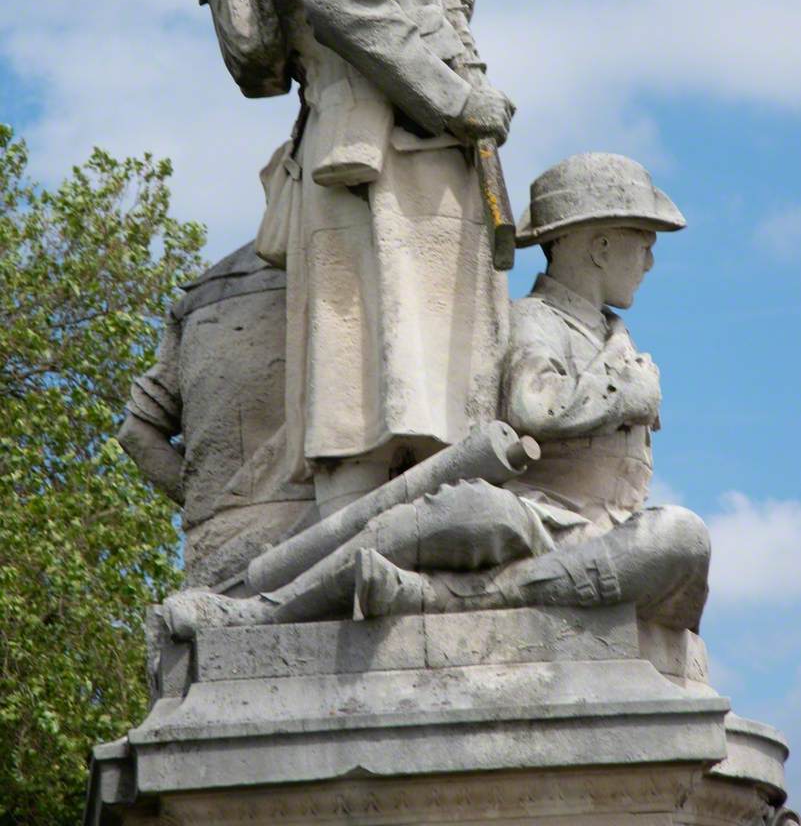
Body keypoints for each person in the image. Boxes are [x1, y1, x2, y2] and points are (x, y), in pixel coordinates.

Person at [161, 154, 710, 638]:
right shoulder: (534, 321)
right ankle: (268, 611)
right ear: (601, 244)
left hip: (602, 539)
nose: (650, 262)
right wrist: (625, 392)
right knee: (471, 509)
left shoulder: (613, 334)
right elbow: (532, 405)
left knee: (682, 535)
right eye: (644, 242)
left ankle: (457, 598)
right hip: (540, 523)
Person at [204, 0, 514, 515]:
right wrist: (457, 95)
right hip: (368, 156)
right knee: (360, 385)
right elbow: (346, 4)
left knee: (423, 377)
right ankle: (350, 548)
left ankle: (429, 535)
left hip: (412, 149)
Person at [118, 242, 312, 587]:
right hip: (316, 531)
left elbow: (137, 433)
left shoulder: (198, 296)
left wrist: (209, 500)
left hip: (214, 543)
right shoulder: (347, 265)